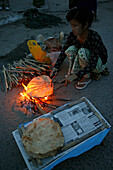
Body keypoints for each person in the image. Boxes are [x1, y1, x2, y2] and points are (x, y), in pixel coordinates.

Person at [50, 7, 108, 89]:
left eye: (75, 26)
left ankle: (86, 77)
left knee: (82, 51)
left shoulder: (94, 37)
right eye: (71, 25)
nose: (72, 29)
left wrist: (76, 76)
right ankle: (78, 71)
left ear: (85, 25)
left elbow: (93, 63)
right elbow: (64, 51)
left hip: (98, 64)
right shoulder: (73, 35)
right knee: (70, 49)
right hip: (85, 59)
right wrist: (56, 67)